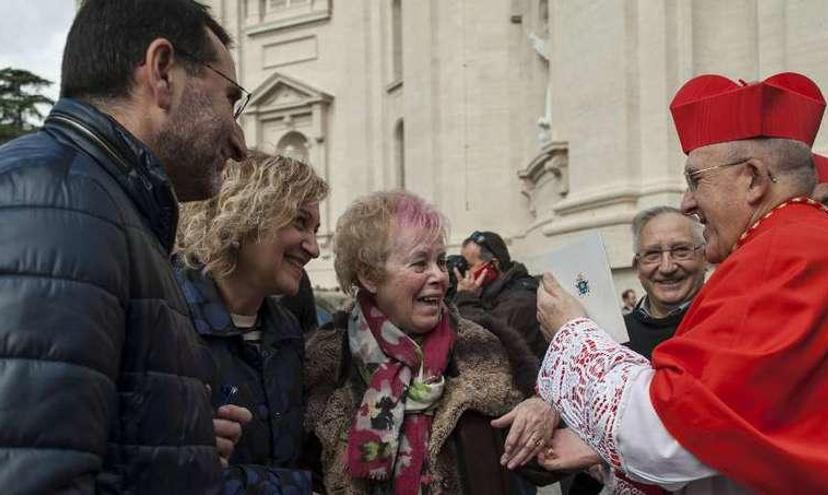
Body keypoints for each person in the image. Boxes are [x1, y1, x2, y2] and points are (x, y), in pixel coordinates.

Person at [509, 72, 828, 494]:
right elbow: (745, 432)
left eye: (695, 180)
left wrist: (573, 333)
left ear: (754, 179)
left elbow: (670, 435)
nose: (687, 202)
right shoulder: (803, 239)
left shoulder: (782, 254)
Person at [0, 0, 252, 492]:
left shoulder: (100, 203)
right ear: (162, 73)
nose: (240, 142)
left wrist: (178, 442)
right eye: (230, 99)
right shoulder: (61, 208)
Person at [304, 191, 553, 494]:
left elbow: (543, 462)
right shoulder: (325, 360)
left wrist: (545, 409)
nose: (440, 276)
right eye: (420, 264)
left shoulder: (488, 346)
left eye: (441, 261)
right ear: (369, 276)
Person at [175, 151, 328, 493]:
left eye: (315, 230)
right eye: (300, 223)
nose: (314, 248)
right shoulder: (167, 319)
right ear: (245, 215)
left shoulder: (287, 332)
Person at [624, 206, 707, 359]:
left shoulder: (727, 322)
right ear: (637, 267)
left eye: (681, 251)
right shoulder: (616, 338)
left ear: (705, 258)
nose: (667, 267)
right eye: (653, 254)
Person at [454, 230, 547, 358]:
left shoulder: (522, 300)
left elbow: (485, 342)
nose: (465, 273)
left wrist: (465, 297)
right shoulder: (487, 292)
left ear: (493, 265)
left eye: (469, 266)